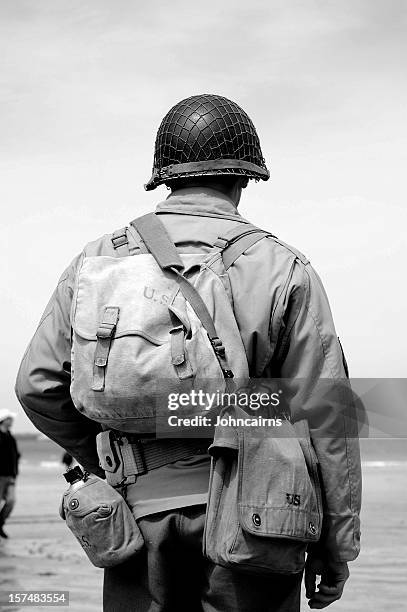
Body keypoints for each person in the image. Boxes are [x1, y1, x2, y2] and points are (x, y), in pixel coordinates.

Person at [15, 94, 361, 611]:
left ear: (167, 176)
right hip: (259, 520)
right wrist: (337, 546)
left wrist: (118, 462)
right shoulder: (282, 267)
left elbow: (37, 386)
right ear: (245, 177)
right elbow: (326, 417)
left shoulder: (98, 260)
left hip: (137, 521)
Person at [0, 409, 20, 539]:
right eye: (10, 419)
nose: (12, 421)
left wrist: (15, 472)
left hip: (10, 475)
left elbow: (15, 456)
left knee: (11, 501)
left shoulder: (10, 436)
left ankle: (0, 523)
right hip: (0, 475)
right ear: (3, 420)